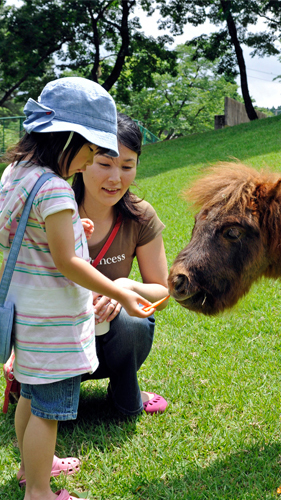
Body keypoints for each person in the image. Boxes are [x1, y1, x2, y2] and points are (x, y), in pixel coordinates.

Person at [0, 77, 154, 500]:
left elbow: (20, 231)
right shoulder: (54, 187)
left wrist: (71, 228)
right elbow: (68, 263)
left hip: (26, 312)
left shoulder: (17, 174)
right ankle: (39, 490)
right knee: (48, 412)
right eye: (90, 149)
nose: (89, 159)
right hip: (53, 320)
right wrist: (120, 291)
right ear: (67, 138)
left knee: (30, 396)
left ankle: (31, 468)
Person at [73, 113, 170, 416]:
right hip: (59, 336)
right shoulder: (54, 208)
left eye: (127, 166)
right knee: (57, 416)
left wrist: (123, 287)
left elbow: (162, 294)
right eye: (105, 164)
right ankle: (40, 386)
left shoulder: (140, 216)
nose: (116, 178)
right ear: (82, 159)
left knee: (134, 320)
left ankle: (123, 390)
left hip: (113, 339)